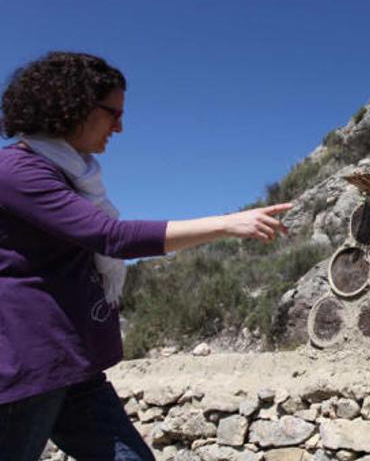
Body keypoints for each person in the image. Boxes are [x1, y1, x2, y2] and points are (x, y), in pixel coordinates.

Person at [0, 52, 291, 460]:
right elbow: (110, 237)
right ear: (72, 106)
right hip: (27, 369)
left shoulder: (75, 176)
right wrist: (227, 224)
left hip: (73, 364)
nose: (119, 127)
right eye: (111, 113)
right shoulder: (16, 171)